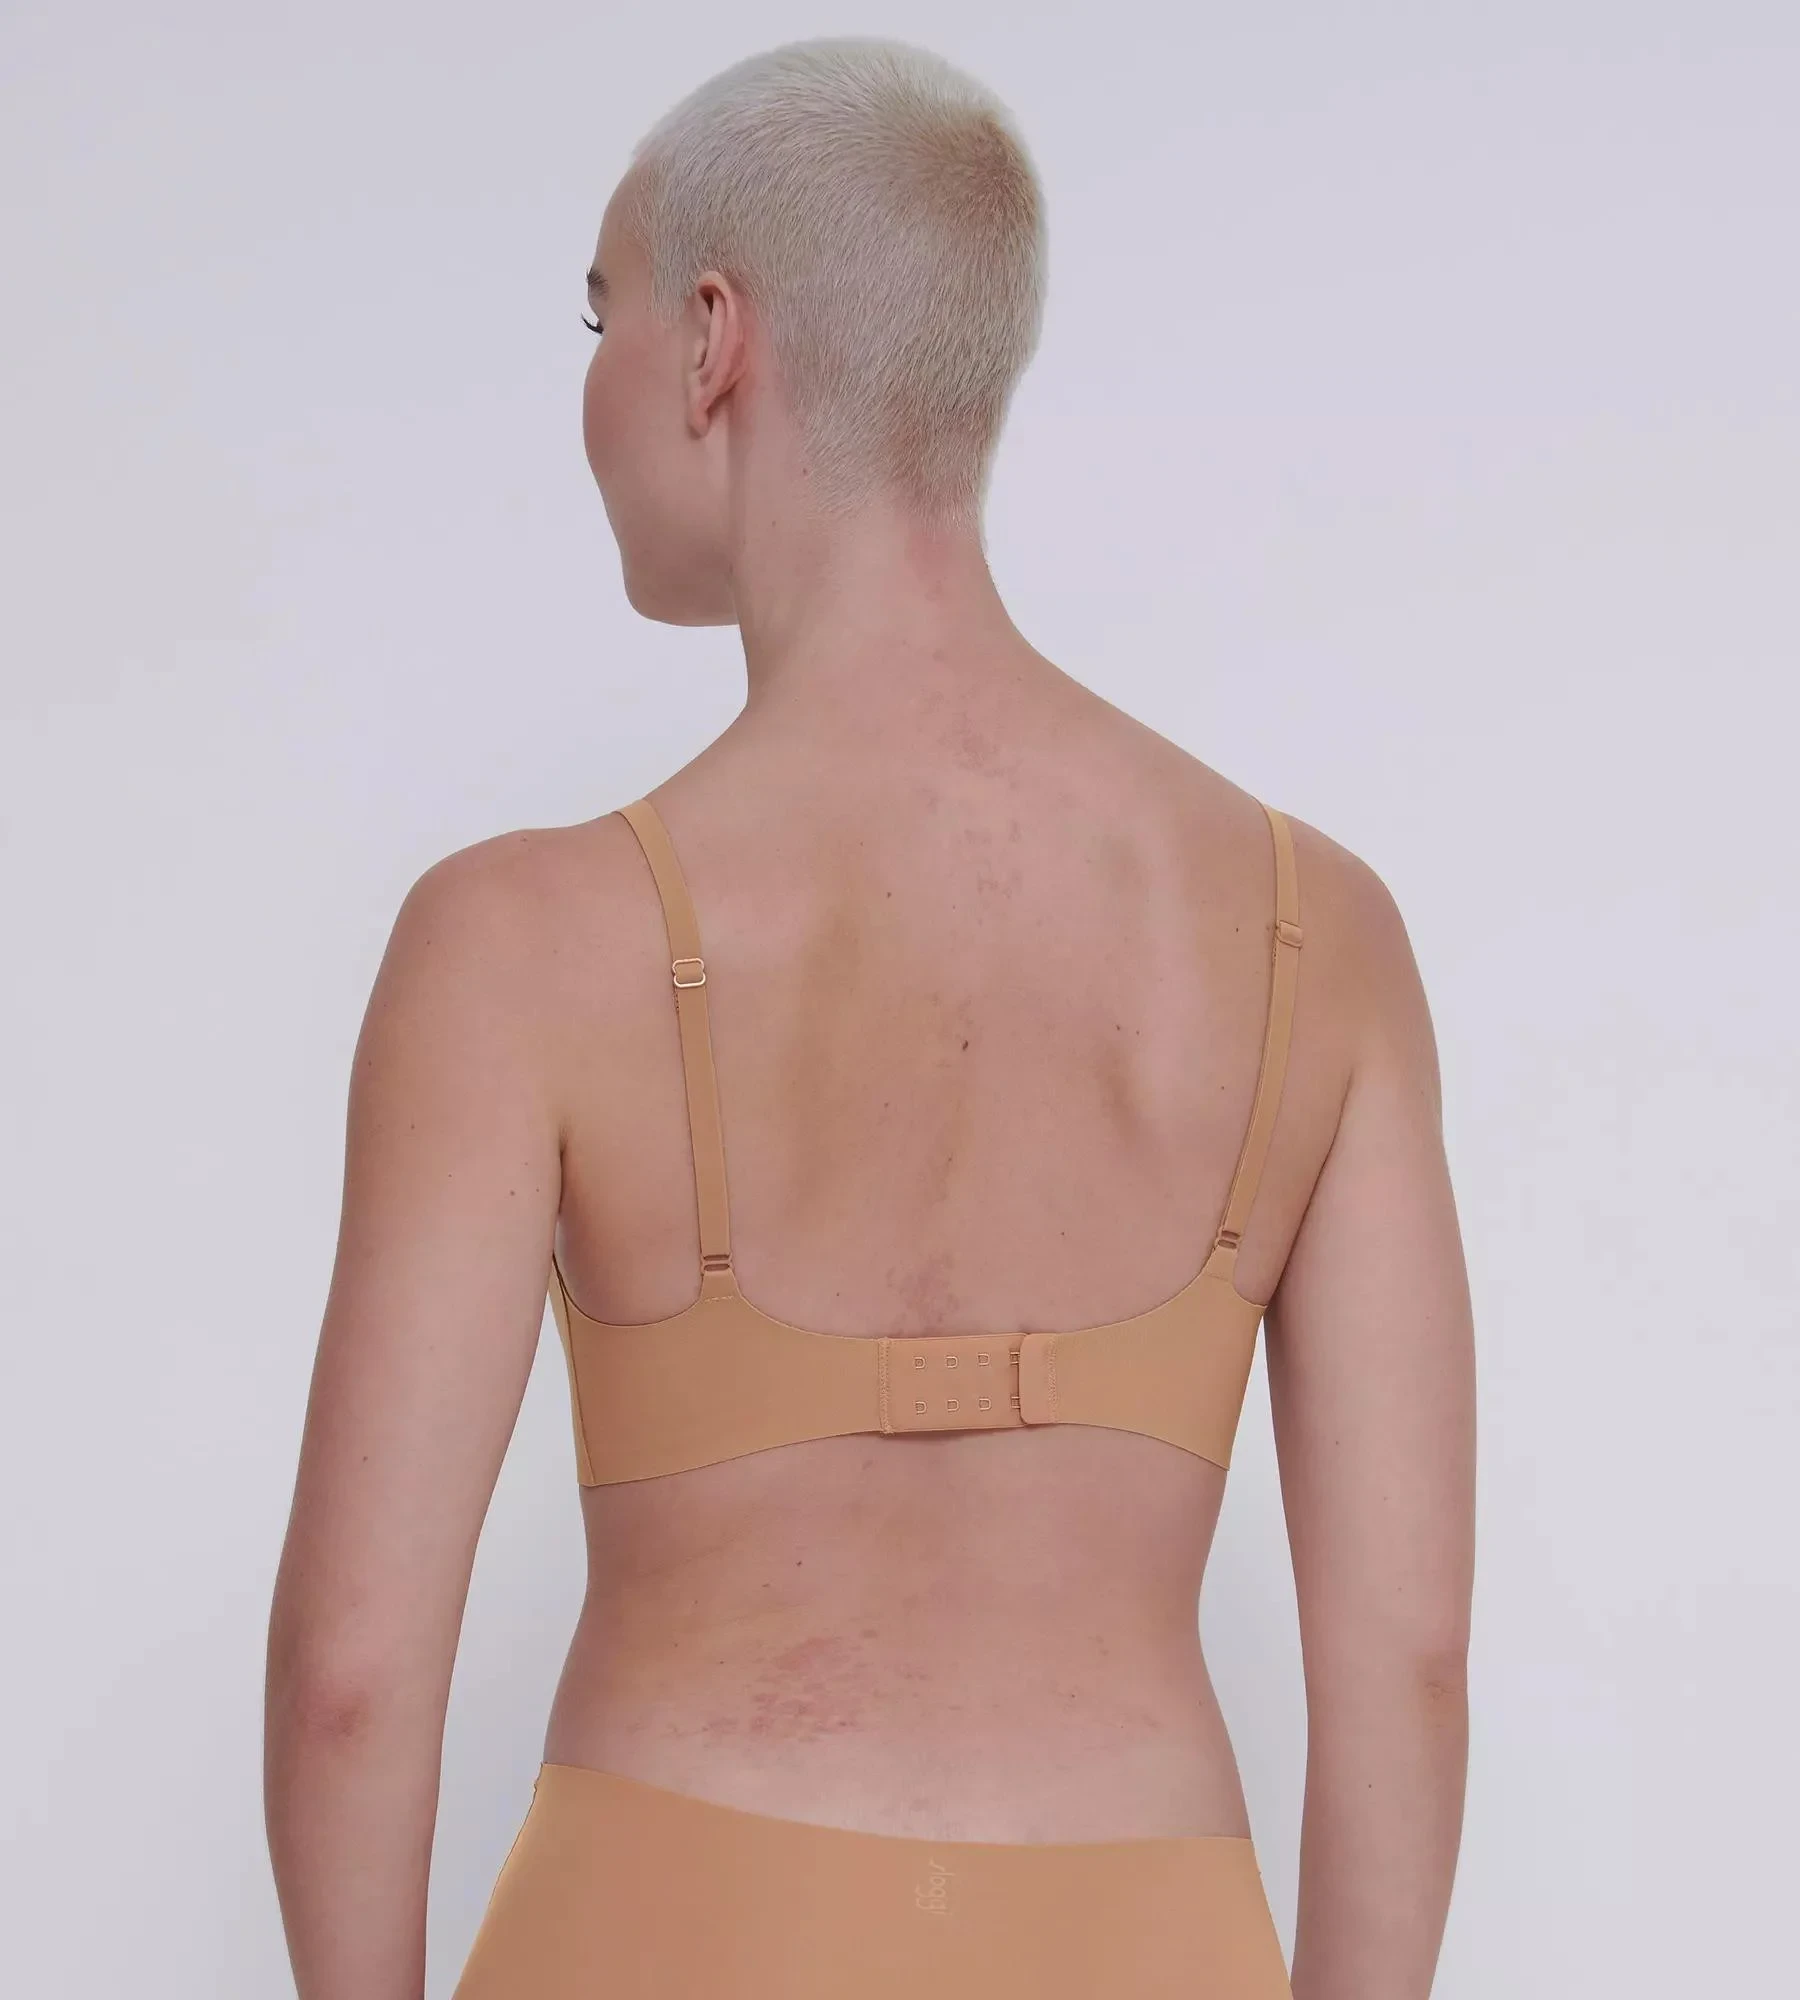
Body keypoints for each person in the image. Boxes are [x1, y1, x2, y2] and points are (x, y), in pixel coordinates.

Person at [263, 34, 1475, 2000]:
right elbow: (1407, 1667)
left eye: (601, 312)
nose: (592, 379)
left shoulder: (514, 945)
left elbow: (350, 1676)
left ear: (710, 344)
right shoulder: (1312, 934)